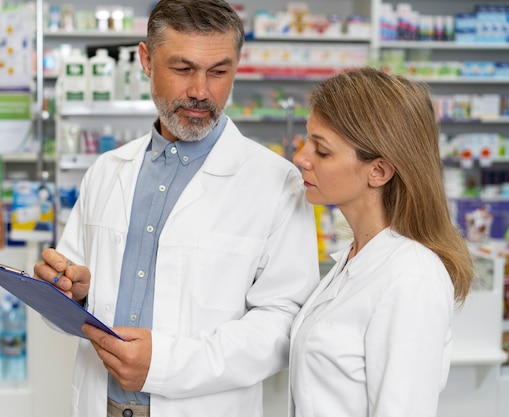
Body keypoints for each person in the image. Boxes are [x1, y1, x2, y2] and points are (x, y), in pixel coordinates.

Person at [33, 1, 320, 416]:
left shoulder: (276, 182)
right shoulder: (106, 171)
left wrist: (164, 365)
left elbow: (282, 327)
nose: (201, 91)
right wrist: (74, 293)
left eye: (219, 72)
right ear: (146, 60)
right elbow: (72, 292)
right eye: (183, 69)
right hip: (102, 404)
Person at [289, 67, 475, 417]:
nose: (301, 157)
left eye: (322, 150)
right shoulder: (355, 259)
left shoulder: (412, 278)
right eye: (306, 140)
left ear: (378, 171)